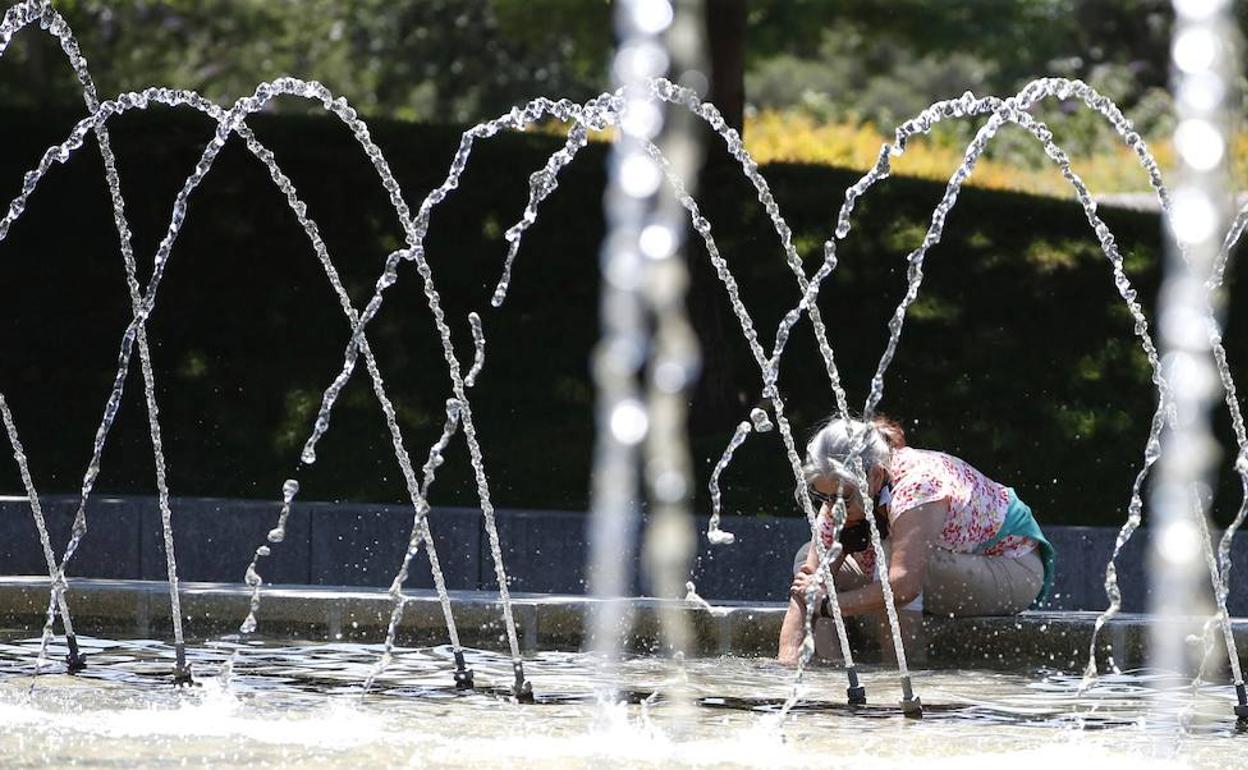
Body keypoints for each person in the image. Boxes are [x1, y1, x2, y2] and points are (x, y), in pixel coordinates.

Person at [777, 415, 1055, 666]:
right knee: (808, 561)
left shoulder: (917, 486)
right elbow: (804, 594)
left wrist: (829, 604)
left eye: (843, 497)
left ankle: (903, 675)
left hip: (1014, 570)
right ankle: (832, 673)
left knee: (890, 555)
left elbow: (903, 586)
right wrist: (784, 671)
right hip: (942, 569)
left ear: (874, 476)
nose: (833, 507)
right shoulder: (841, 494)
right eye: (822, 497)